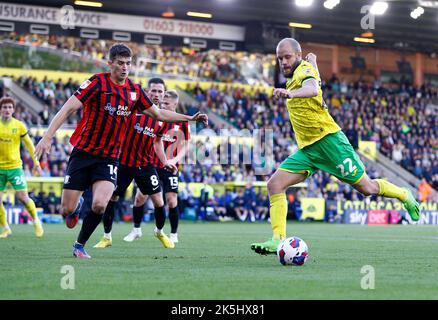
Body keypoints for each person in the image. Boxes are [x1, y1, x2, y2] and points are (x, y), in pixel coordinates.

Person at [34, 43, 208, 259]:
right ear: (110, 63)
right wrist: (47, 136)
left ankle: (79, 245)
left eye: (128, 63)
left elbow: (160, 114)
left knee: (100, 204)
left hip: (109, 157)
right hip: (83, 152)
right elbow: (68, 108)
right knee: (66, 210)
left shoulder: (134, 91)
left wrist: (189, 118)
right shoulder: (96, 83)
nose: (125, 68)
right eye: (120, 63)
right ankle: (77, 205)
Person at [250, 38, 420, 255]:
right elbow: (316, 82)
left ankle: (404, 194)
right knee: (274, 185)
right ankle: (277, 239)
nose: (283, 62)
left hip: (330, 143)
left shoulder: (303, 71)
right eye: (280, 58)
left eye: (287, 57)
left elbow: (311, 88)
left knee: (366, 188)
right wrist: (314, 64)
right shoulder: (304, 69)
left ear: (298, 55)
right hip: (309, 150)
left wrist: (291, 93)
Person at [93, 78, 177, 249]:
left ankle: (159, 232)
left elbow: (157, 142)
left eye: (160, 92)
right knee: (112, 197)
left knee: (159, 202)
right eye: (153, 91)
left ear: (164, 94)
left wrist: (165, 161)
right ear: (147, 91)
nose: (156, 94)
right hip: (123, 163)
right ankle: (107, 237)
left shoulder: (162, 119)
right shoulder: (133, 110)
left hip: (145, 165)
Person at [124, 89, 190, 244]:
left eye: (167, 103)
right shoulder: (155, 117)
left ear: (175, 104)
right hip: (151, 163)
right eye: (163, 102)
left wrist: (175, 159)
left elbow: (187, 144)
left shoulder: (181, 122)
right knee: (140, 197)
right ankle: (136, 230)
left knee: (171, 200)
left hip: (170, 166)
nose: (163, 105)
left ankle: (173, 233)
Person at [0, 97, 44, 238]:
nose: (7, 110)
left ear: (13, 109)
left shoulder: (19, 125)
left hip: (15, 168)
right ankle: (6, 228)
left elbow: (30, 146)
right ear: (1, 109)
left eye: (9, 107)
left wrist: (36, 163)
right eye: (4, 107)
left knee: (23, 197)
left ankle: (36, 221)